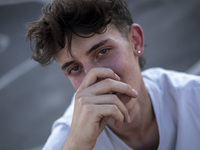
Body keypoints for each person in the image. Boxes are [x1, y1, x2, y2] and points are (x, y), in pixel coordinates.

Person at [26, 0, 200, 149]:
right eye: (75, 68)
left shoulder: (193, 96)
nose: (94, 77)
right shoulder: (67, 141)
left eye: (103, 51)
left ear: (135, 41)